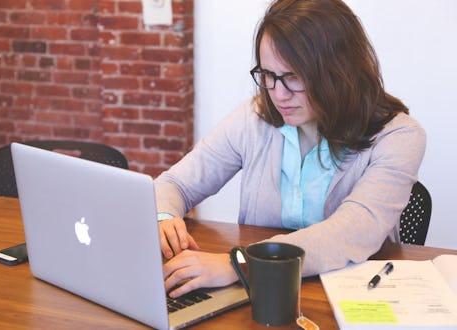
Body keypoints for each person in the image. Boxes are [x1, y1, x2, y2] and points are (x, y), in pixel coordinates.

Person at [156, 0, 426, 298]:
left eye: (293, 77)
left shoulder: (400, 136)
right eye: (268, 76)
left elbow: (353, 231)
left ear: (339, 71)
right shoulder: (253, 118)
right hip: (260, 295)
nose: (278, 94)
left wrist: (239, 264)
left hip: (352, 297)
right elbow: (175, 183)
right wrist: (164, 216)